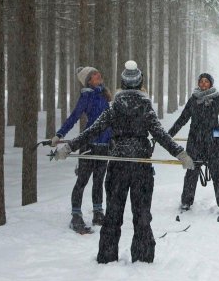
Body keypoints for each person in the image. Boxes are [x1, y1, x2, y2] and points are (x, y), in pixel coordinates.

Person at [55, 61, 194, 264]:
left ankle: (107, 256)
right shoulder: (143, 106)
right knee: (141, 215)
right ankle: (143, 257)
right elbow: (160, 135)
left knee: (113, 214)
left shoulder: (115, 106)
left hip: (120, 167)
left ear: (123, 83)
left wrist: (69, 147)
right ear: (140, 84)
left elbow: (92, 130)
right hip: (140, 168)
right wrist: (180, 153)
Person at [168, 73, 219, 213]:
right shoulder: (193, 99)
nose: (204, 84)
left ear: (211, 84)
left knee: (217, 172)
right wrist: (168, 136)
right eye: (201, 81)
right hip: (195, 142)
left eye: (206, 81)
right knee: (191, 172)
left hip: (213, 142)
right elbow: (182, 119)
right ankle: (186, 201)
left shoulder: (216, 99)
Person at [50, 65, 112, 233]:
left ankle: (98, 213)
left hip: (104, 145)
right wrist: (59, 134)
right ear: (88, 80)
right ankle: (76, 215)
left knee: (99, 180)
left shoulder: (105, 95)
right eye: (94, 74)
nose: (98, 75)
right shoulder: (87, 96)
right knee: (82, 181)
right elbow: (73, 117)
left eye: (98, 72)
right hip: (89, 144)